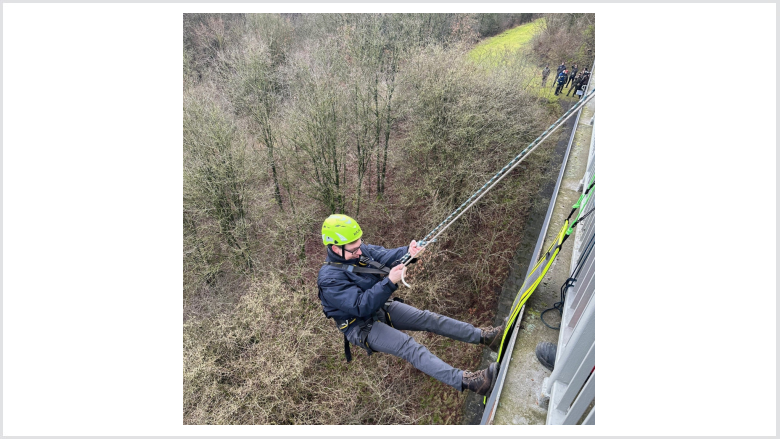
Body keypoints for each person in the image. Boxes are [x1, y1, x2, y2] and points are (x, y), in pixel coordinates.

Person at [317, 214, 505, 396]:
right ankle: (472, 383)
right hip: (359, 325)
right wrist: (389, 282)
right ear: (335, 249)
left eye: (359, 245)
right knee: (409, 347)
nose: (359, 251)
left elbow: (385, 255)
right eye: (354, 249)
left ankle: (486, 337)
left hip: (379, 307)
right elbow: (360, 306)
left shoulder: (359, 252)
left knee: (429, 319)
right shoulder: (329, 279)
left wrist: (409, 252)